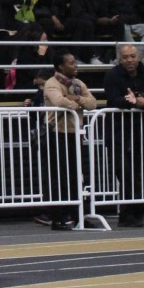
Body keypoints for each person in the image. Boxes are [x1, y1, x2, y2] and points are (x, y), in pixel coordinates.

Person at [102, 44, 144, 227]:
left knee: (137, 171)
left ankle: (135, 211)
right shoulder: (112, 75)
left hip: (138, 131)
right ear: (120, 59)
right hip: (117, 132)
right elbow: (113, 99)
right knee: (124, 172)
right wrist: (131, 102)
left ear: (139, 57)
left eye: (133, 56)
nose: (129, 60)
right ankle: (130, 211)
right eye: (126, 57)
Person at [39, 49, 96, 228]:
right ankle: (58, 217)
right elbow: (59, 101)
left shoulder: (78, 83)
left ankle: (78, 215)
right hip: (57, 134)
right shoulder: (51, 83)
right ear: (60, 67)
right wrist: (76, 103)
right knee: (58, 176)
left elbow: (93, 103)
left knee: (76, 176)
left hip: (74, 134)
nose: (75, 65)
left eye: (75, 62)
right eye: (71, 63)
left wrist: (75, 98)